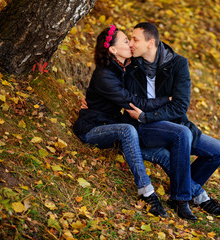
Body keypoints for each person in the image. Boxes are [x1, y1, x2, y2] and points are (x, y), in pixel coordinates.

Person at [122, 22, 220, 218]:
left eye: (135, 39)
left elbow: (180, 106)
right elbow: (121, 96)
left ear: (150, 42)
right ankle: (181, 198)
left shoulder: (178, 64)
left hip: (173, 123)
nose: (131, 43)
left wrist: (149, 114)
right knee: (182, 134)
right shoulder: (132, 66)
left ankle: (184, 185)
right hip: (145, 127)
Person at [73, 25, 171, 217]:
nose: (131, 44)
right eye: (126, 41)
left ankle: (194, 193)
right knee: (128, 130)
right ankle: (147, 192)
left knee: (162, 154)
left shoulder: (123, 68)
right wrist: (168, 100)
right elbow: (136, 103)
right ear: (113, 50)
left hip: (112, 126)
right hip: (92, 129)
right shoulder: (104, 75)